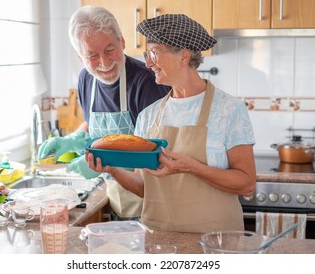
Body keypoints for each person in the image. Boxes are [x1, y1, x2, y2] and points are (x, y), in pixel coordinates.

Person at [86, 14, 256, 233]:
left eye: (154, 53)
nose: (147, 63)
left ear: (184, 55)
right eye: (147, 54)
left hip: (216, 241)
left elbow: (247, 184)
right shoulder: (149, 115)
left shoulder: (229, 110)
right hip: (160, 239)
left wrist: (191, 167)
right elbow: (144, 187)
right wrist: (113, 170)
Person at [38, 6, 170, 220]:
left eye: (110, 50)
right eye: (92, 55)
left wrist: (105, 161)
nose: (105, 62)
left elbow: (157, 152)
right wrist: (72, 140)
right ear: (80, 57)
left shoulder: (147, 82)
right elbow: (95, 128)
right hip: (118, 201)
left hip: (154, 204)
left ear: (123, 41)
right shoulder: (86, 79)